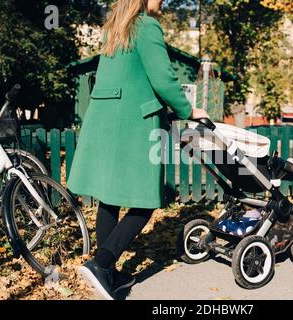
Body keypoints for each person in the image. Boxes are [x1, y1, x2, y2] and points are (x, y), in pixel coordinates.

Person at [66, 0, 208, 300]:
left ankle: (110, 274)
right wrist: (188, 109)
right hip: (132, 126)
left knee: (110, 198)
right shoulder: (146, 27)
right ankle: (101, 263)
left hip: (104, 123)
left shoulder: (114, 29)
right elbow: (163, 79)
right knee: (146, 200)